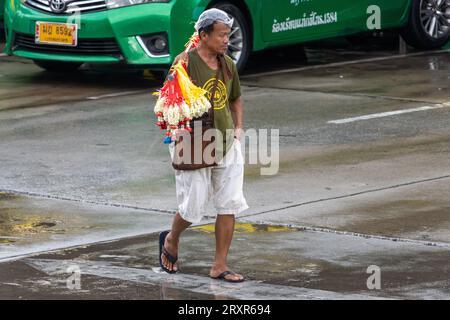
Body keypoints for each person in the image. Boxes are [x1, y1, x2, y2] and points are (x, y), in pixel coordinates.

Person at [159, 8, 248, 283]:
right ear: (204, 35)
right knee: (193, 207)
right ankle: (171, 239)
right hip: (193, 142)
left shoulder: (228, 64)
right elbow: (167, 104)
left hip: (226, 142)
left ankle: (219, 265)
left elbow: (235, 99)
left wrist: (238, 128)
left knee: (229, 203)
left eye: (228, 35)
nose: (226, 40)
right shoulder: (184, 63)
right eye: (221, 35)